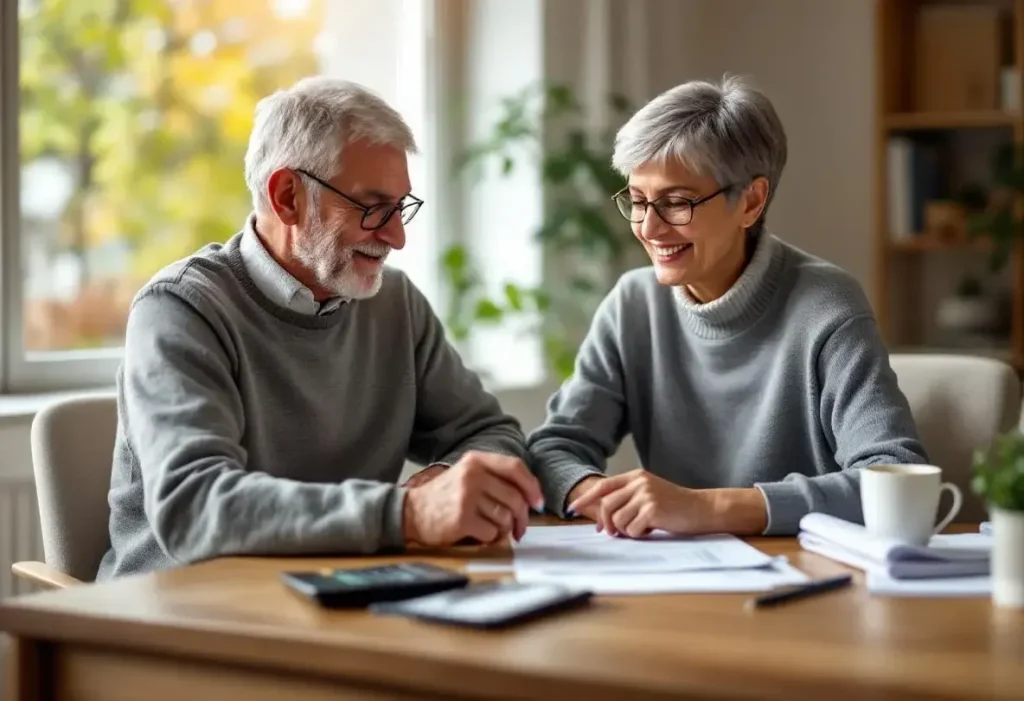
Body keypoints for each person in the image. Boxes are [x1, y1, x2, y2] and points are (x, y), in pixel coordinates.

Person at [97, 77, 542, 579]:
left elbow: (491, 433)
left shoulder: (395, 304)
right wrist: (407, 515)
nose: (397, 237)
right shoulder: (181, 309)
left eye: (400, 208)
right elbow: (193, 509)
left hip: (340, 590)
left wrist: (440, 482)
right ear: (287, 196)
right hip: (180, 606)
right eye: (373, 208)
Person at [527, 76, 926, 538]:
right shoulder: (632, 305)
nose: (649, 228)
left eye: (677, 203)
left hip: (805, 568)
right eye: (638, 201)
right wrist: (602, 496)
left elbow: (895, 476)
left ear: (751, 202)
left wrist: (709, 507)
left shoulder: (827, 306)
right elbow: (553, 450)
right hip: (674, 567)